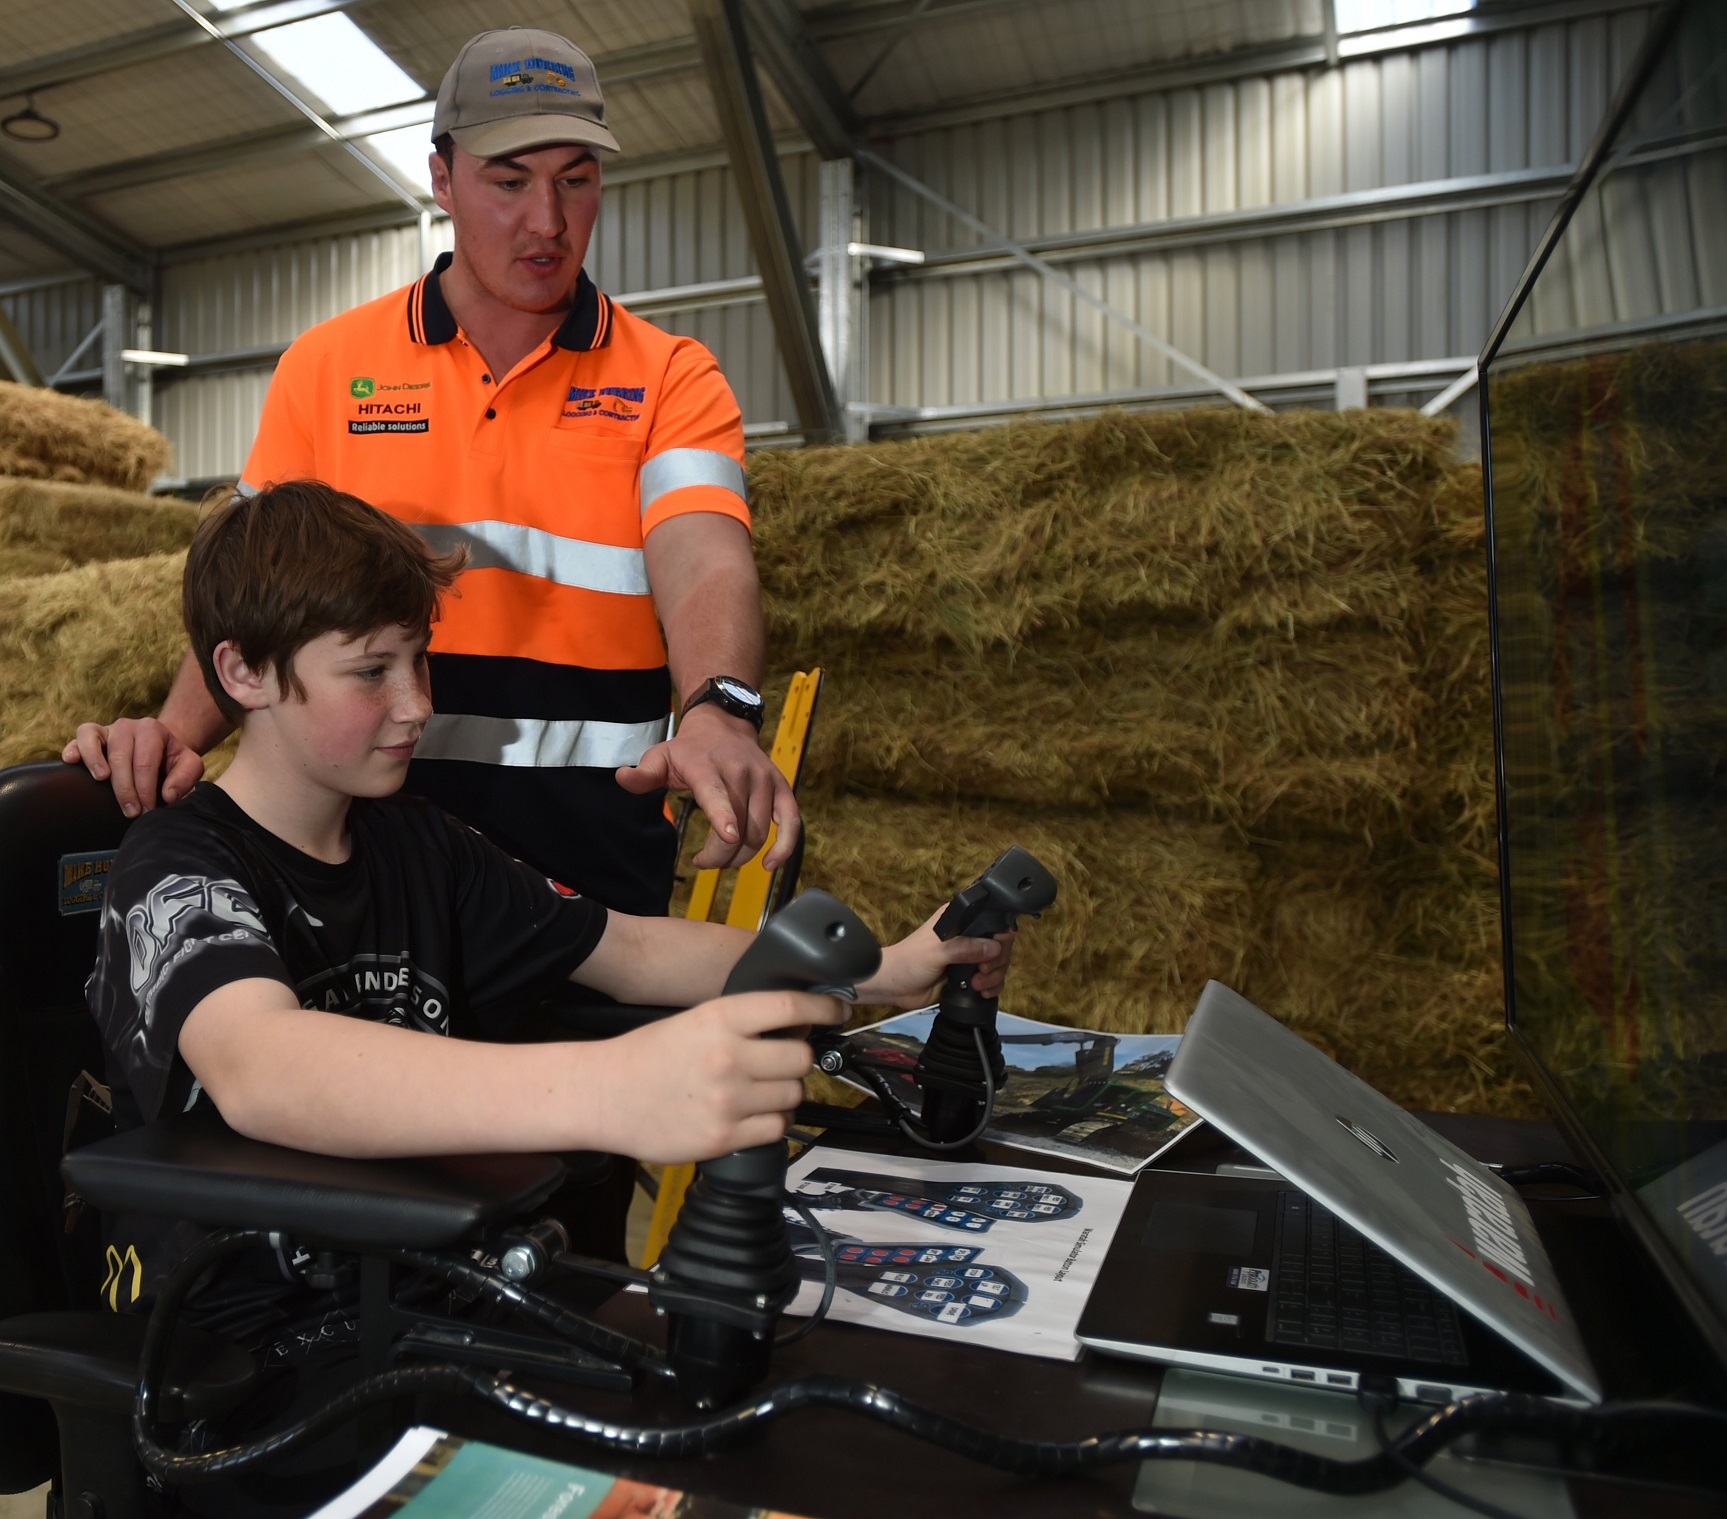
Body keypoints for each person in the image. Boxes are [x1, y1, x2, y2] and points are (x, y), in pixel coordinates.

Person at [88, 479, 1013, 1353]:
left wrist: (884, 969)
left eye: (420, 660)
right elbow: (263, 1069)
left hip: (425, 1292)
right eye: (372, 671)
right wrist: (615, 1087)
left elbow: (632, 949)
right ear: (242, 672)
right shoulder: (177, 865)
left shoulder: (421, 844)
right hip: (242, 1347)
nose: (418, 704)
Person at [65, 26, 790, 918]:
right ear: (442, 179)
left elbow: (707, 557)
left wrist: (719, 708)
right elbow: (254, 592)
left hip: (591, 874)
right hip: (362, 871)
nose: (548, 222)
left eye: (575, 178)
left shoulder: (672, 374)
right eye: (509, 181)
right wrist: (173, 736)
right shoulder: (328, 367)